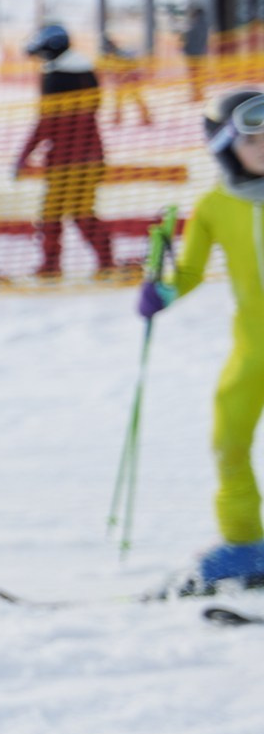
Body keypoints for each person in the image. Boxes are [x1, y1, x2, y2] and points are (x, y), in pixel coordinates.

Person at [137, 88, 264, 591]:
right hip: (253, 348)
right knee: (227, 442)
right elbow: (187, 272)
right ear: (224, 146)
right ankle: (247, 546)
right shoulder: (215, 205)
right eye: (253, 138)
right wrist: (161, 291)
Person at [13, 23, 116, 278]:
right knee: (81, 211)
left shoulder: (56, 76)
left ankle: (52, 265)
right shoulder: (86, 72)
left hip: (65, 157)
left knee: (53, 214)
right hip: (92, 153)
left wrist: (24, 154)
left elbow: (47, 121)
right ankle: (105, 260)